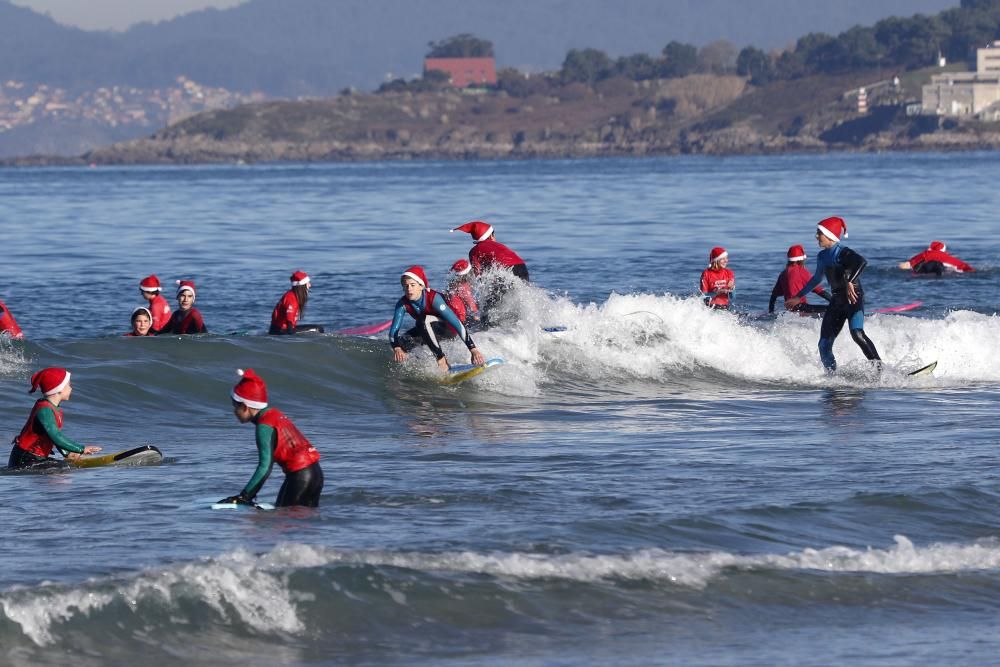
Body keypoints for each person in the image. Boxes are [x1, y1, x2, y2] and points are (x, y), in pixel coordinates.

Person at [786, 216, 882, 372]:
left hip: (853, 298)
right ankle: (832, 377)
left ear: (829, 235)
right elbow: (816, 279)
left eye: (819, 233)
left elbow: (861, 262)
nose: (816, 236)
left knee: (857, 334)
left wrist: (850, 281)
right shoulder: (822, 256)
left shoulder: (843, 252)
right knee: (824, 344)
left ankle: (879, 371)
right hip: (837, 300)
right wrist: (798, 296)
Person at [218, 368, 324, 508]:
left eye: (235, 407)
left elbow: (265, 466)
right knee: (305, 524)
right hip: (316, 473)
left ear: (245, 407)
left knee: (285, 521)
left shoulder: (264, 426)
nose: (234, 412)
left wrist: (245, 496)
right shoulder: (274, 414)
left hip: (300, 477)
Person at [389, 266, 485, 372]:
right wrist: (397, 348)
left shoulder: (433, 298)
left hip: (447, 329)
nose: (409, 289)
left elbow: (456, 323)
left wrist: (473, 349)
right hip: (427, 331)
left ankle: (442, 360)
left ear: (421, 286)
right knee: (402, 342)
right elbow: (393, 332)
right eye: (405, 286)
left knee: (423, 321)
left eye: (412, 285)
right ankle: (416, 367)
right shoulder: (402, 304)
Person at [8, 367, 102, 469]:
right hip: (23, 459)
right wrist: (80, 449)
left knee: (64, 469)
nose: (71, 388)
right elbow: (56, 436)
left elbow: (52, 437)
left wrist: (67, 454)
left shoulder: (53, 408)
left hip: (34, 458)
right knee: (63, 470)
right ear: (59, 389)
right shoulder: (45, 410)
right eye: (69, 385)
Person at [451, 220, 528, 326]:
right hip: (522, 267)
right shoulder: (500, 246)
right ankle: (523, 323)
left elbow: (479, 275)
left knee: (490, 305)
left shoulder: (474, 251)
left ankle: (487, 328)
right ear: (491, 236)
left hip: (507, 271)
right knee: (518, 299)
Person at [768, 244, 832, 314]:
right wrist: (834, 302)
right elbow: (819, 291)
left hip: (791, 311)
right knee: (832, 310)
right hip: (802, 308)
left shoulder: (783, 274)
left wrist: (771, 312)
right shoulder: (801, 271)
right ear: (801, 259)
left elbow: (773, 296)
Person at [444, 259, 480, 331]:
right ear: (469, 274)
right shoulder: (464, 287)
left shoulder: (452, 284)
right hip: (459, 319)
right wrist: (477, 316)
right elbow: (471, 304)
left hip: (449, 316)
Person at [898, 241, 975, 275]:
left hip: (925, 270)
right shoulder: (949, 258)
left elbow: (903, 266)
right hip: (943, 270)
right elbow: (969, 269)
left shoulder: (923, 254)